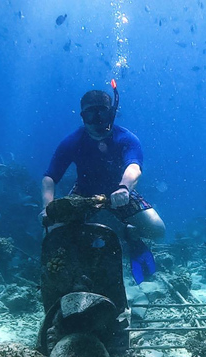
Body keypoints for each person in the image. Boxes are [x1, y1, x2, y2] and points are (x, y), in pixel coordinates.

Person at [41, 82, 165, 282]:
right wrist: (47, 208)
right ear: (83, 117)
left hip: (120, 193)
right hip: (84, 195)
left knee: (158, 230)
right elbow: (50, 177)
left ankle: (128, 235)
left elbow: (134, 167)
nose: (97, 121)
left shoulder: (126, 138)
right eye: (90, 115)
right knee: (51, 231)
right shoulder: (72, 141)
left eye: (102, 113)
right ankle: (67, 271)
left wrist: (124, 188)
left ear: (112, 112)